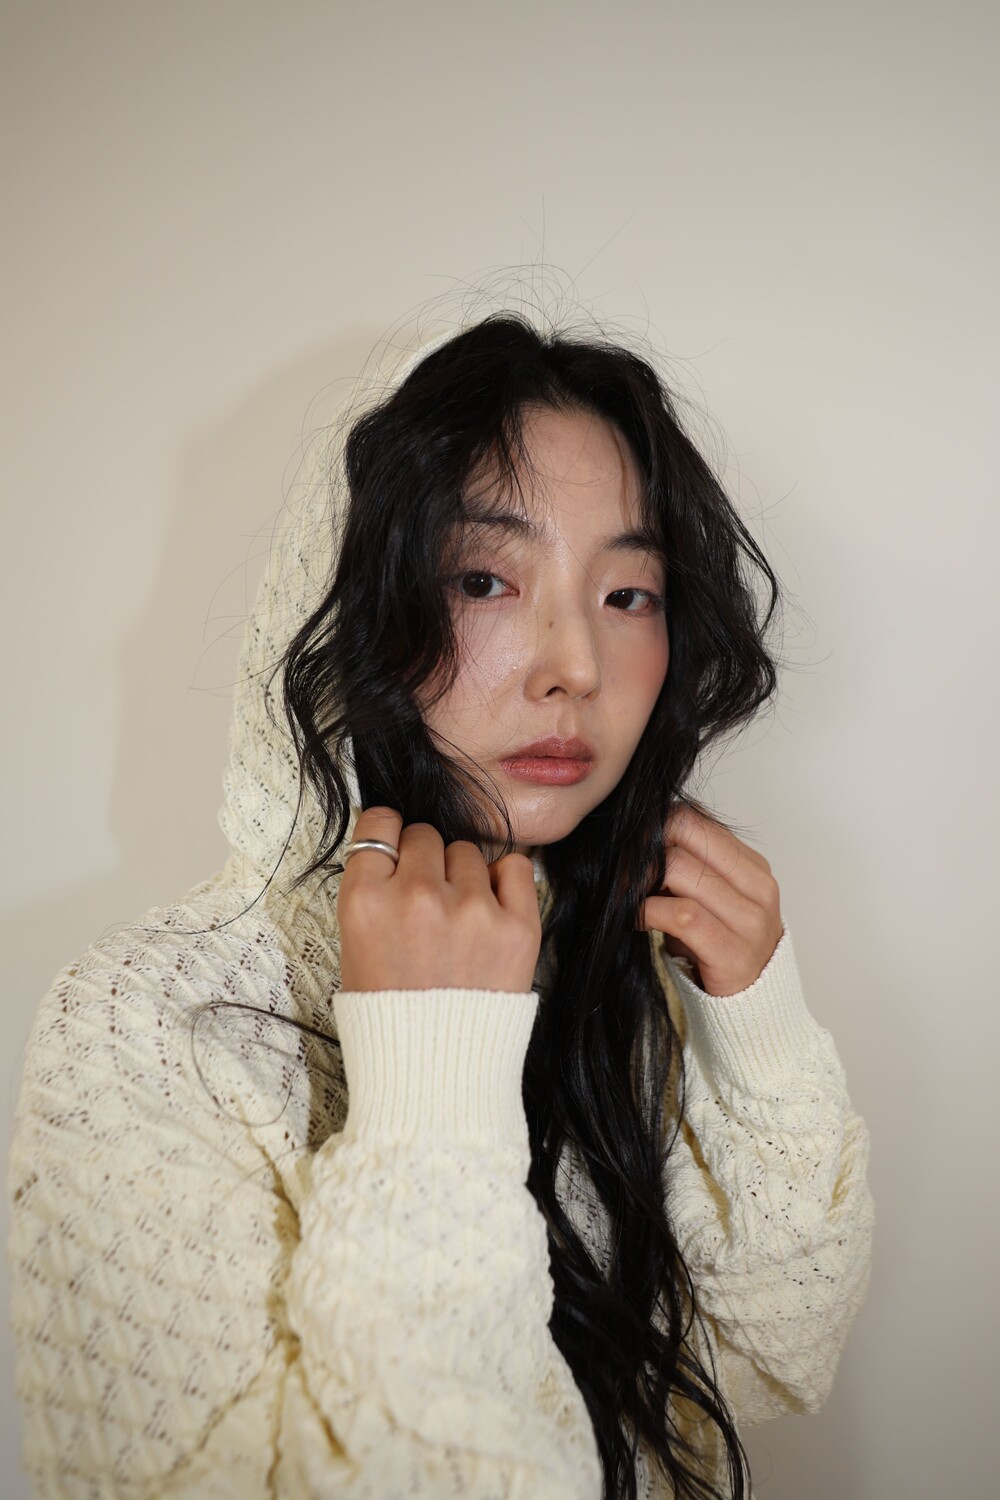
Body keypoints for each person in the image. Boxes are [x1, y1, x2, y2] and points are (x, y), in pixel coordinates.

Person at [7, 308, 874, 1500]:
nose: (575, 665)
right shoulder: (145, 1022)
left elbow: (767, 1361)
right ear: (351, 601)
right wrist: (431, 1084)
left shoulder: (614, 958)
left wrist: (757, 1038)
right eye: (483, 580)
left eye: (630, 593)